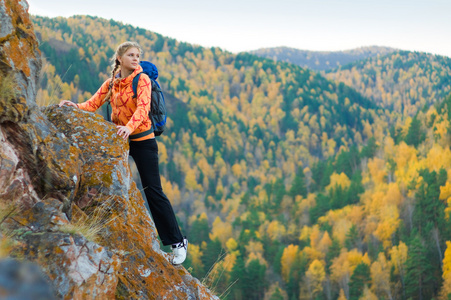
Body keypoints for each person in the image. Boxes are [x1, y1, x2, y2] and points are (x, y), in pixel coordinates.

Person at [59, 41, 188, 265]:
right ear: (119, 58)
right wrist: (75, 106)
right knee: (109, 182)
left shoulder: (142, 79)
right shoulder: (112, 83)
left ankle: (177, 243)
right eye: (131, 55)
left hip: (143, 141)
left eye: (138, 55)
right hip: (121, 140)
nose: (136, 59)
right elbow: (92, 104)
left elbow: (143, 108)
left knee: (153, 191)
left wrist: (129, 127)